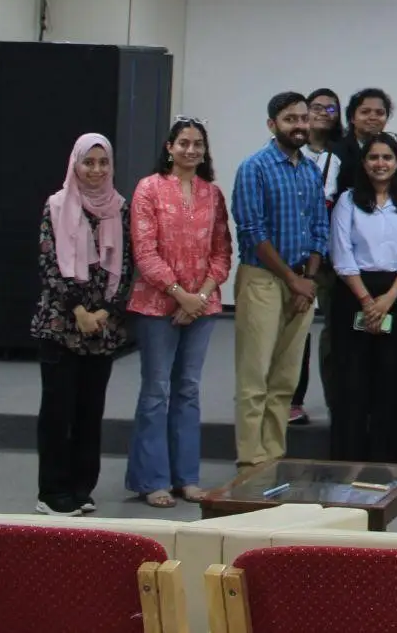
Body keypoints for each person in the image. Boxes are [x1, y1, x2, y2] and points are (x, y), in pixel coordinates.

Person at [125, 118, 231, 508]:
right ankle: (152, 480)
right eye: (183, 142)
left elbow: (222, 253)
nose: (191, 150)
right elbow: (144, 251)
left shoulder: (212, 194)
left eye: (197, 144)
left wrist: (198, 297)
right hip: (157, 305)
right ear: (169, 147)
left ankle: (186, 477)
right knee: (156, 391)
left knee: (187, 390)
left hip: (202, 306)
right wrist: (179, 295)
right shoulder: (149, 188)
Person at [32, 133, 132, 516]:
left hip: (102, 328)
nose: (96, 169)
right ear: (75, 164)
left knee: (90, 413)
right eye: (88, 162)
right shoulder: (56, 205)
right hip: (61, 324)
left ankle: (81, 487)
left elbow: (126, 266)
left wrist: (104, 312)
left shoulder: (119, 208)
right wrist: (78, 310)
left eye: (103, 162)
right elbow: (48, 265)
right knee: (58, 412)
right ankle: (51, 492)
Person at [231, 91, 327, 468]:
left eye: (304, 118)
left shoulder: (310, 171)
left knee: (285, 378)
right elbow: (252, 230)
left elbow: (320, 228)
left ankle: (272, 456)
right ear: (272, 124)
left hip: (302, 283)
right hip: (264, 280)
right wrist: (291, 279)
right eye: (290, 119)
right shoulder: (254, 167)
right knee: (255, 376)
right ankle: (249, 461)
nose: (299, 125)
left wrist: (309, 279)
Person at [328, 130, 397, 463]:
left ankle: (387, 460)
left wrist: (389, 298)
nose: (381, 163)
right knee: (352, 380)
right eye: (374, 157)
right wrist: (367, 301)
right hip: (354, 292)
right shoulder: (348, 201)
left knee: (392, 379)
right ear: (364, 163)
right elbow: (341, 253)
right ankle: (348, 459)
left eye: (387, 157)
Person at [290, 86, 348, 428]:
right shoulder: (287, 151)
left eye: (331, 109)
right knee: (294, 327)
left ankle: (336, 401)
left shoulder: (342, 155)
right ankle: (292, 400)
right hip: (291, 254)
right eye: (317, 107)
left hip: (329, 256)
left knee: (334, 330)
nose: (323, 113)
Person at [342, 87, 393, 164]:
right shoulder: (337, 151)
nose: (373, 117)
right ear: (352, 118)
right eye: (365, 112)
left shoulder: (391, 147)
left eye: (379, 113)